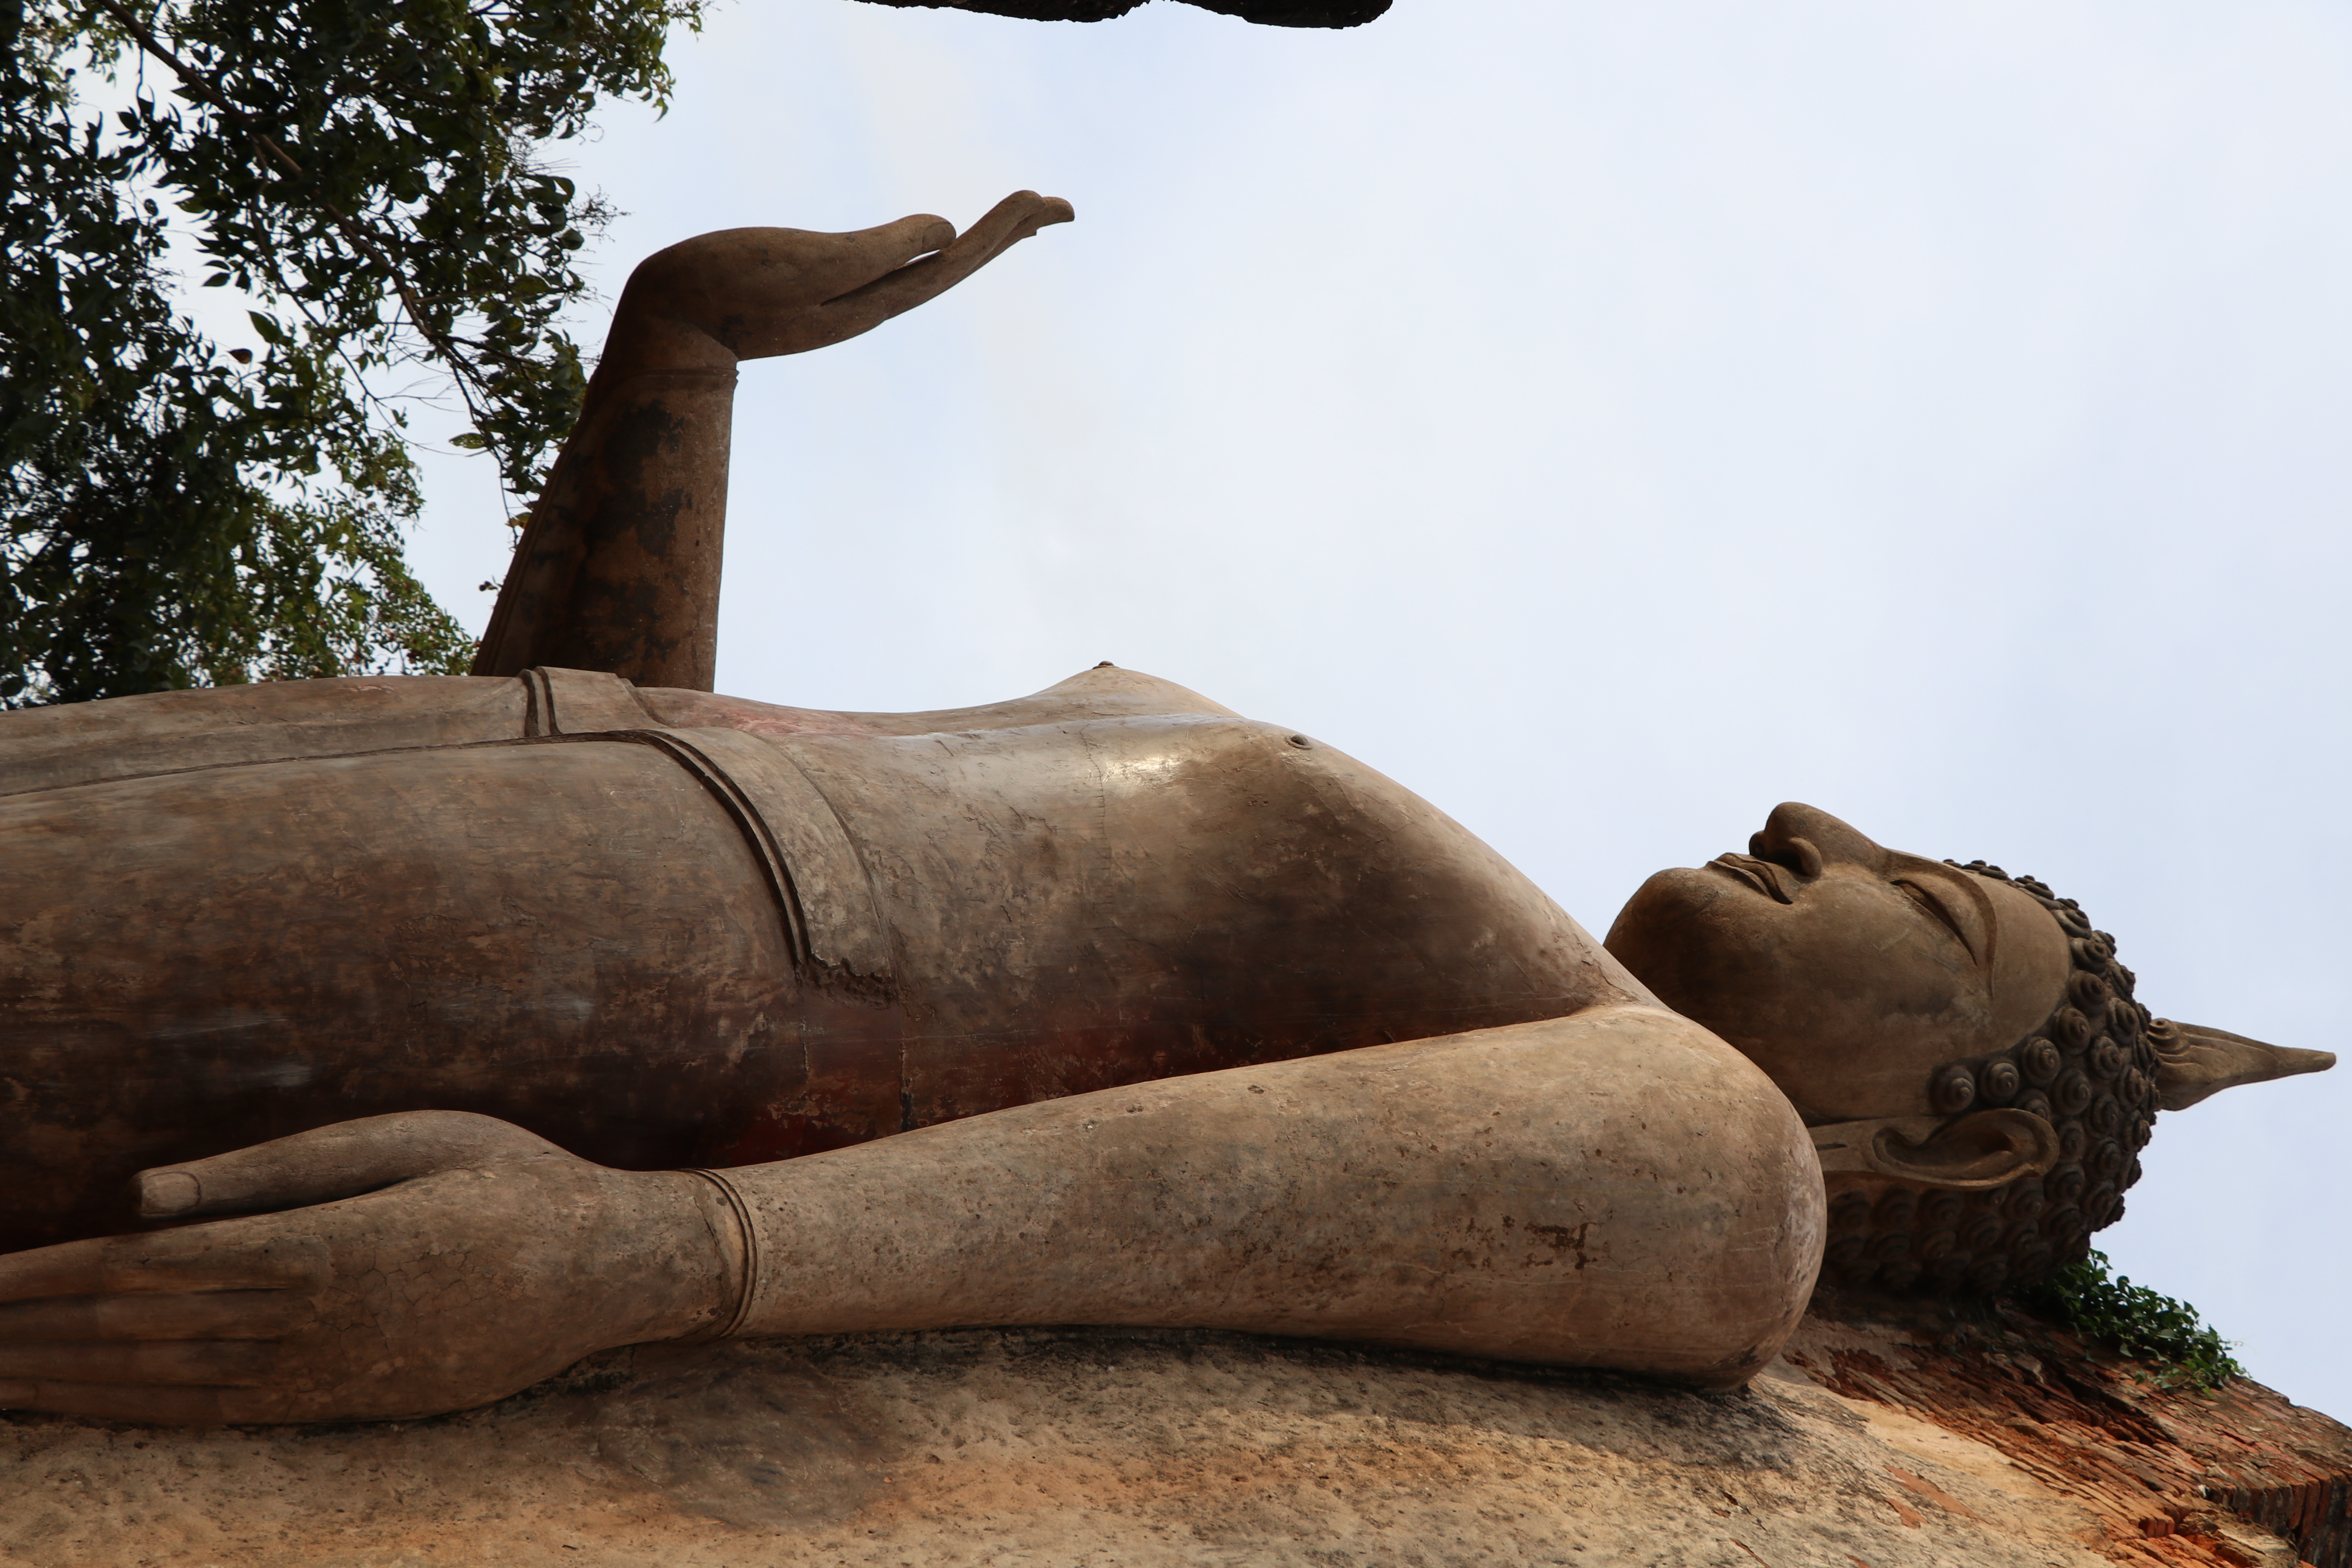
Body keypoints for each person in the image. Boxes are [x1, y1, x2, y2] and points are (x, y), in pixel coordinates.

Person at [0, 203, 2326, 1426]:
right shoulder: (1500, 970)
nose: (1810, 808)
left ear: (1958, 1141)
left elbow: (1093, 1183)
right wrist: (680, 361)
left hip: (607, 973)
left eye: (1921, 906)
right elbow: (610, 728)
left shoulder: (1700, 1159)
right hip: (463, 794)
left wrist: (644, 1262)